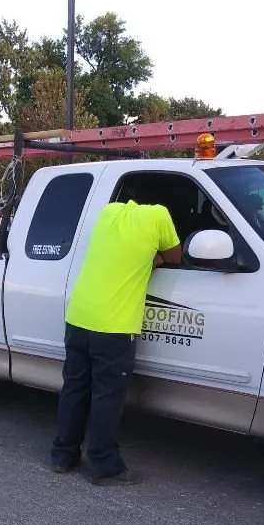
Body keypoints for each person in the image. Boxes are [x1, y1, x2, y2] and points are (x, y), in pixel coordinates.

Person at [50, 197, 181, 485]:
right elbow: (175, 256)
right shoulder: (160, 215)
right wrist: (156, 258)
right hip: (114, 327)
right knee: (106, 397)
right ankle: (104, 466)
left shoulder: (109, 211)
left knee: (74, 389)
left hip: (78, 318)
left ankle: (62, 455)